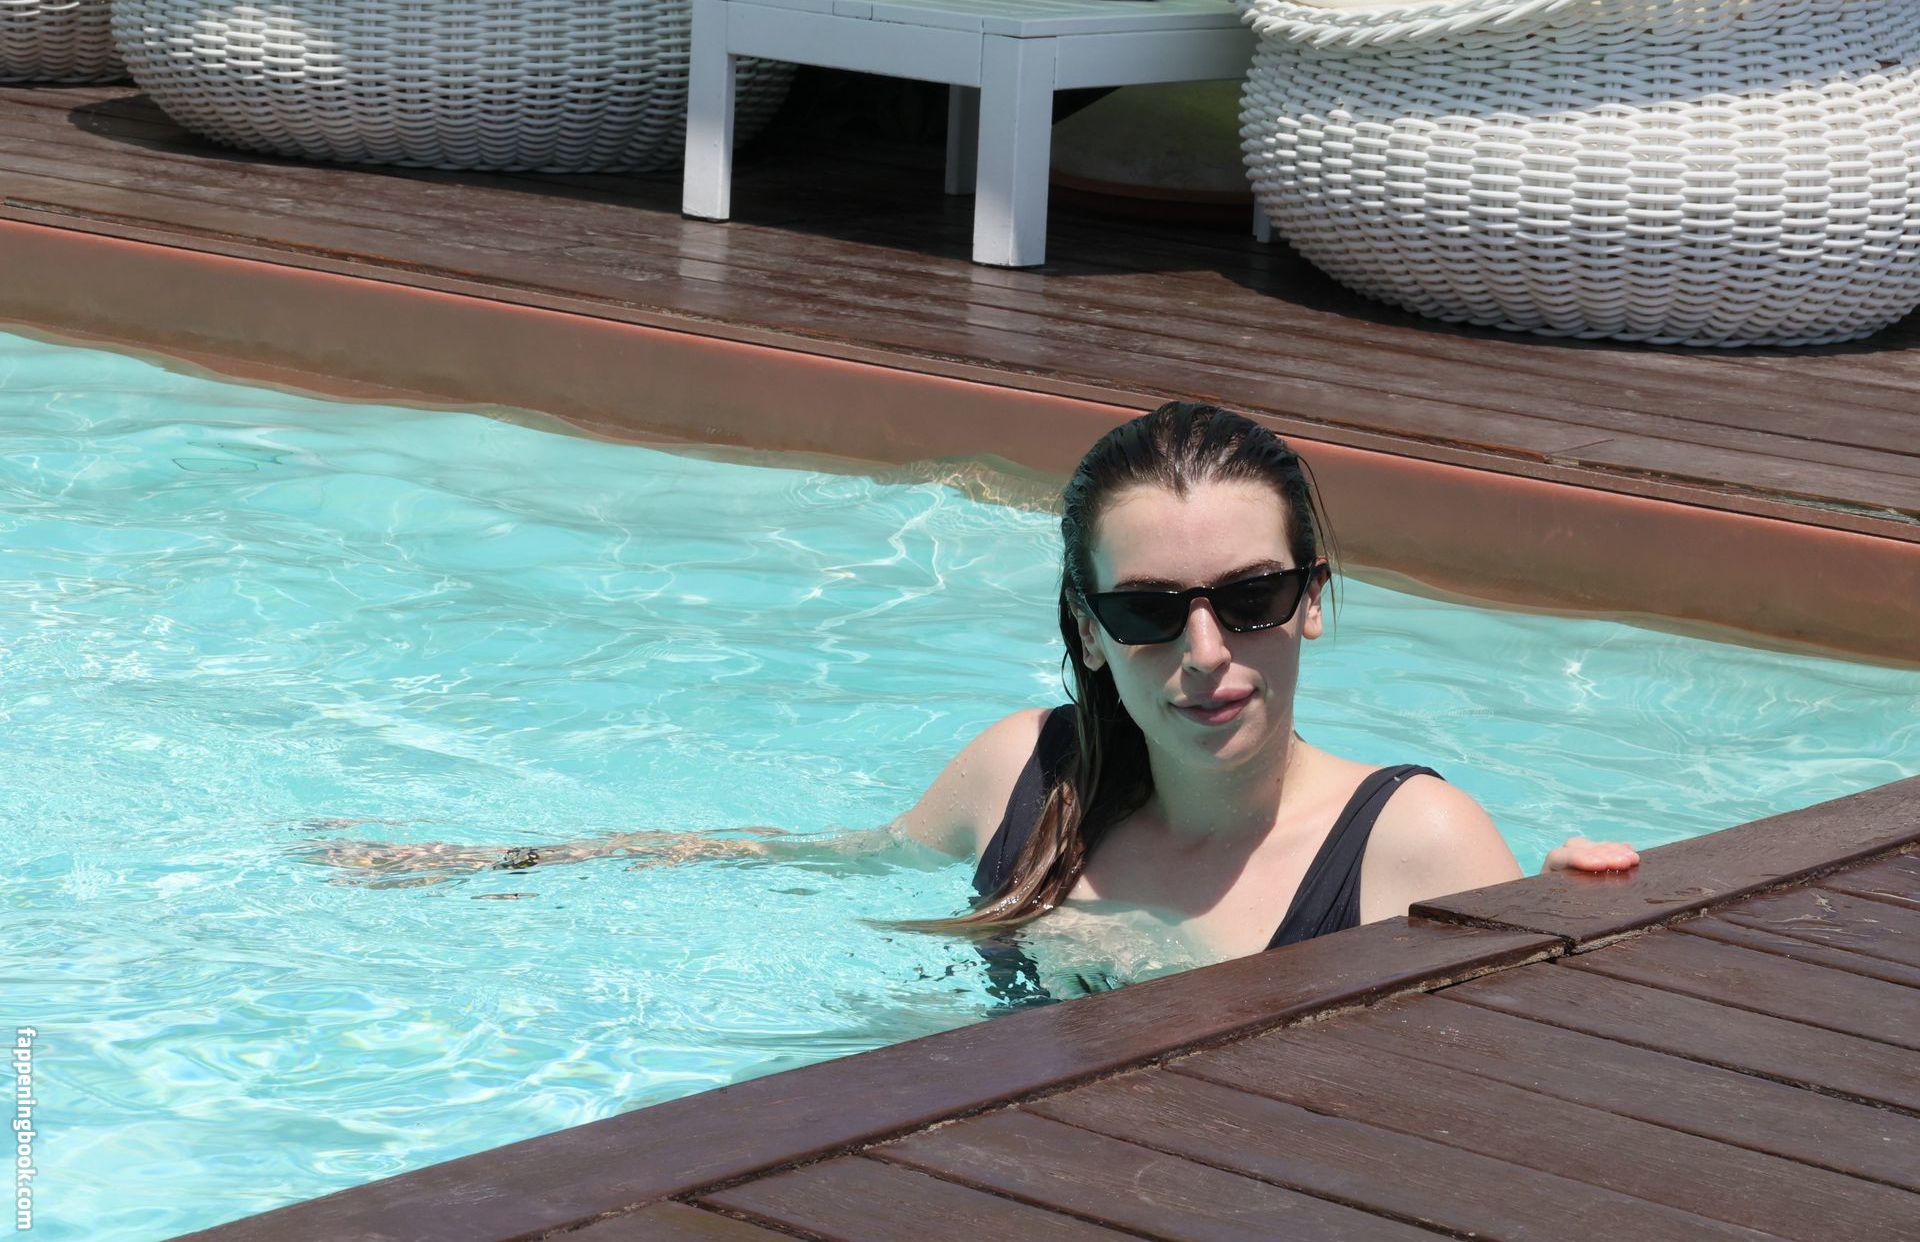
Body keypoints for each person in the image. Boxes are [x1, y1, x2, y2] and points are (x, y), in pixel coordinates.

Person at [306, 402, 1635, 990]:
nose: (1207, 649)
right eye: (1147, 610)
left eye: (1254, 596)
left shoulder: (1410, 843)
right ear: (1089, 632)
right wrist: (510, 866)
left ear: (1315, 600)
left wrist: (1583, 933)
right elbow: (818, 866)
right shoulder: (1027, 776)